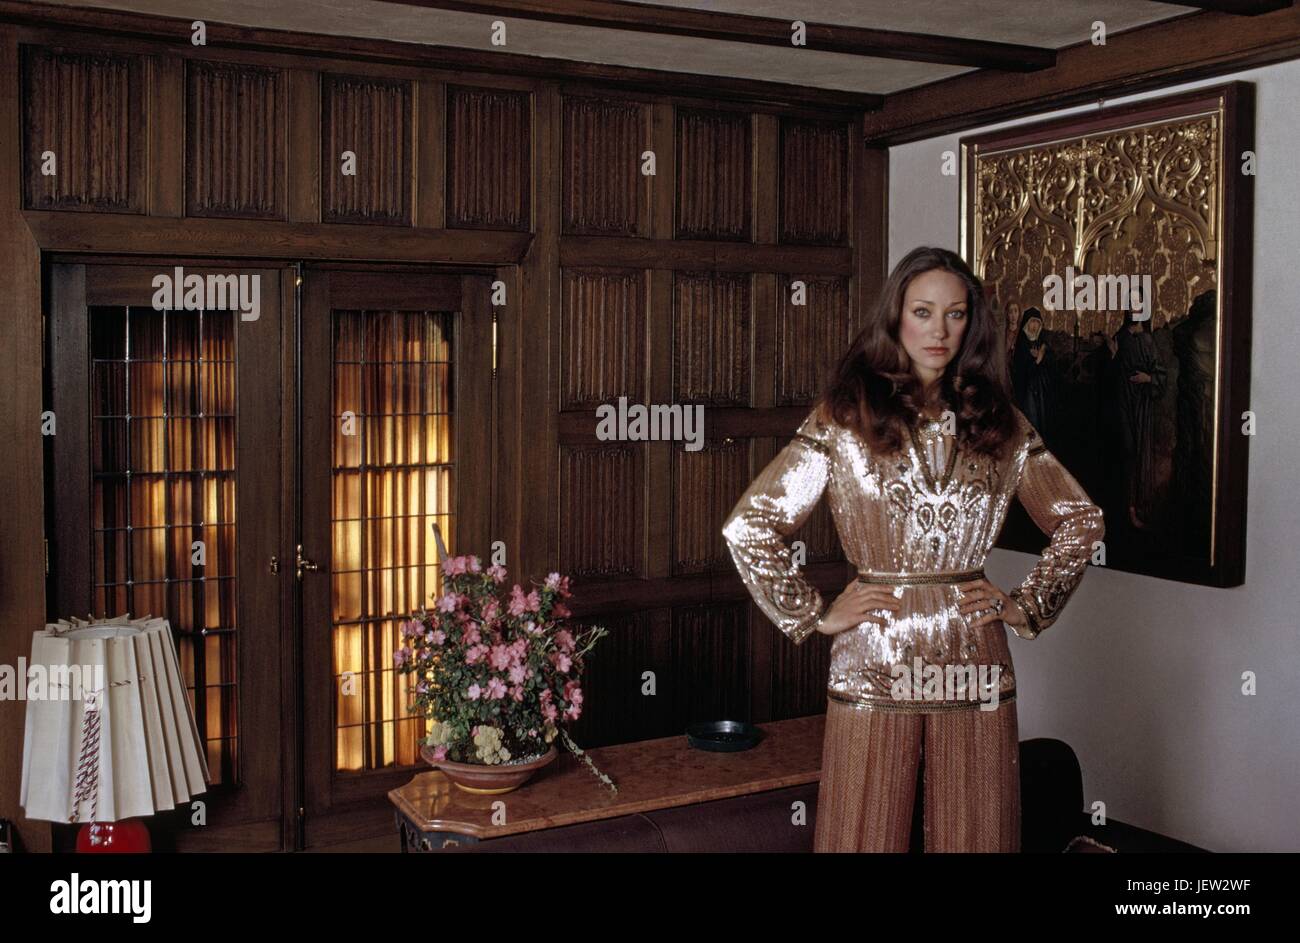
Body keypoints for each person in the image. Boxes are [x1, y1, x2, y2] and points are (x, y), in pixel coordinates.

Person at [722, 246, 1104, 852]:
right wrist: (814, 613)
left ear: (971, 323)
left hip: (973, 651)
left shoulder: (1000, 423)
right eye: (923, 311)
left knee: (978, 837)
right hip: (876, 651)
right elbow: (751, 524)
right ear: (896, 316)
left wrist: (1027, 605)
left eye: (955, 314)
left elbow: (1080, 520)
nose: (940, 330)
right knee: (860, 836)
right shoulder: (844, 418)